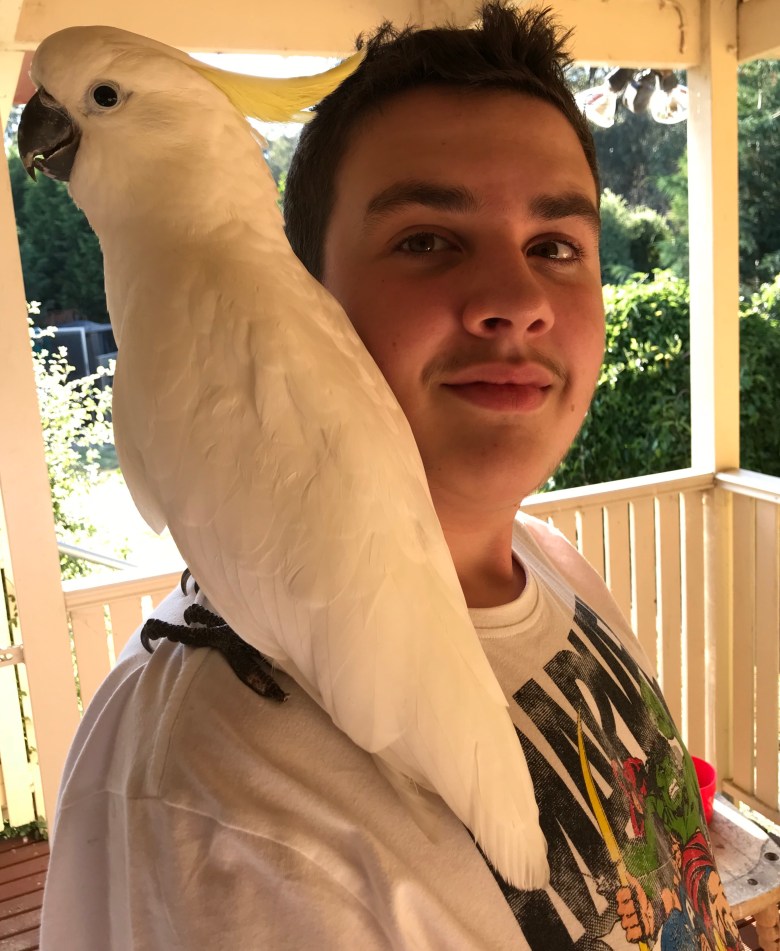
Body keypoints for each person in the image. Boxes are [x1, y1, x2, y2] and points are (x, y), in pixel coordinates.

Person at [40, 4, 745, 949]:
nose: (514, 304)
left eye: (556, 247)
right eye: (426, 240)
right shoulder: (219, 796)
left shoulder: (556, 574)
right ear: (311, 293)